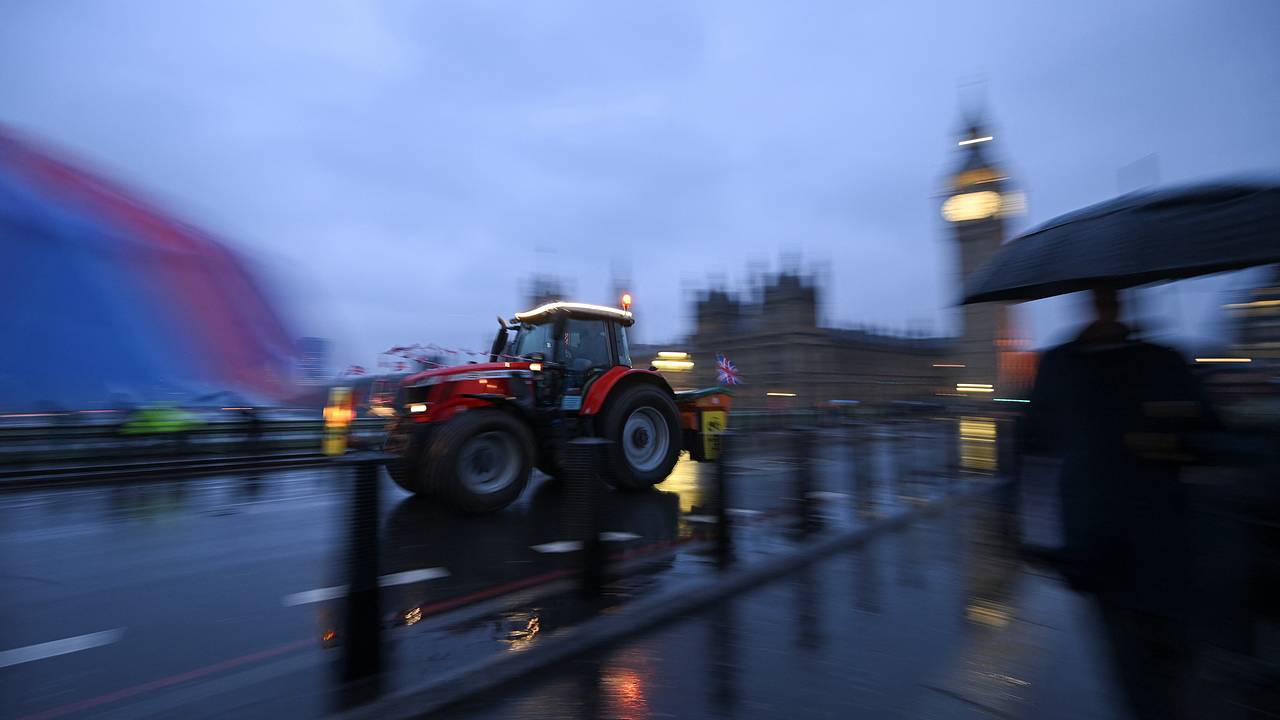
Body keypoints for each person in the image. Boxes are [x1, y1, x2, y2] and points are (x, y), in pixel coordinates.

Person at [1024, 286, 1216, 719]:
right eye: (1096, 295)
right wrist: (1035, 535)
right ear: (1086, 301)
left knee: (1179, 663)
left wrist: (1177, 443)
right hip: (1098, 545)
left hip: (1168, 542)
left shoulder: (1164, 361)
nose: (1103, 303)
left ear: (1123, 301)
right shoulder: (1057, 365)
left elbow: (1211, 435)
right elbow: (1031, 452)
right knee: (1132, 673)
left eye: (1111, 296)